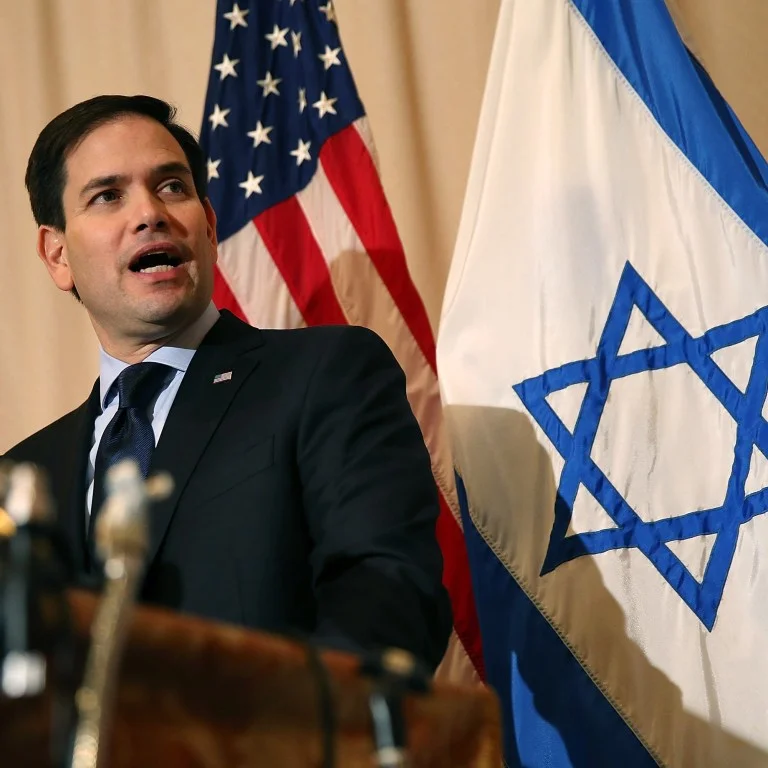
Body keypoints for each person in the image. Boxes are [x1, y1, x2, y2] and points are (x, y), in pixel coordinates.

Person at [4, 95, 451, 670]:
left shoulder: (325, 375)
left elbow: (389, 594)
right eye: (108, 195)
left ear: (209, 226)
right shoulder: (21, 481)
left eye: (172, 187)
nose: (150, 213)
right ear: (58, 254)